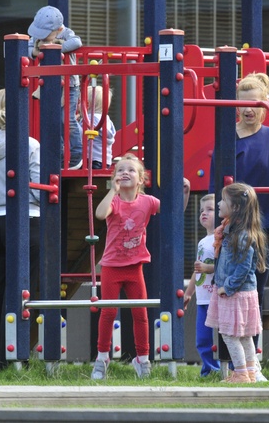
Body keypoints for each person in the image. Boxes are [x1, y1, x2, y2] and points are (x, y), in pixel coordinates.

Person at [91, 153, 190, 380]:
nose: (125, 173)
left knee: (141, 313)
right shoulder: (114, 201)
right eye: (120, 170)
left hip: (135, 266)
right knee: (108, 312)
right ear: (114, 178)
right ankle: (102, 357)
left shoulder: (147, 201)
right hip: (112, 266)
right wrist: (113, 191)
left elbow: (174, 212)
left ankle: (142, 359)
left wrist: (184, 194)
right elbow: (99, 214)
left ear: (141, 179)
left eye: (131, 170)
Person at [209, 72, 269, 382]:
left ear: (266, 104)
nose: (248, 110)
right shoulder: (228, 137)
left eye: (255, 104)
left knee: (254, 292)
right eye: (242, 104)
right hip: (233, 226)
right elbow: (218, 181)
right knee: (227, 288)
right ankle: (230, 365)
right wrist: (218, 224)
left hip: (264, 225)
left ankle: (252, 366)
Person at [0, 88, 41, 376]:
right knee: (24, 290)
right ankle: (18, 359)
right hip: (26, 218)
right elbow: (38, 188)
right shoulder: (29, 144)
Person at [205, 182, 268, 383]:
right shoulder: (231, 231)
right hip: (240, 292)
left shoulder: (240, 236)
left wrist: (227, 287)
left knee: (229, 335)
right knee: (244, 335)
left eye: (223, 200)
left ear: (236, 207)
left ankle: (241, 372)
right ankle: (250, 371)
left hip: (235, 293)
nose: (219, 203)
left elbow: (244, 267)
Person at [27, 5, 83, 169]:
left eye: (45, 34)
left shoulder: (65, 33)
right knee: (52, 120)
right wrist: (36, 52)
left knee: (67, 119)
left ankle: (77, 153)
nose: (40, 37)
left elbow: (77, 42)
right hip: (51, 84)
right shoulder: (38, 37)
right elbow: (29, 47)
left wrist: (55, 49)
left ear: (58, 30)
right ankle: (59, 154)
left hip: (70, 85)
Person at [183, 193, 221, 377]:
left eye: (210, 209)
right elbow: (198, 270)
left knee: (222, 337)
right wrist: (189, 293)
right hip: (203, 299)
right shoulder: (202, 241)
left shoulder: (221, 239)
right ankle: (209, 370)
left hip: (217, 298)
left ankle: (226, 369)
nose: (204, 213)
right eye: (201, 210)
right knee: (203, 338)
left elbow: (223, 266)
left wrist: (208, 268)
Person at [83, 85, 116, 169]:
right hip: (105, 160)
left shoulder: (89, 119)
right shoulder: (106, 119)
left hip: (92, 159)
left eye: (80, 102)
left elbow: (80, 136)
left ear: (87, 104)